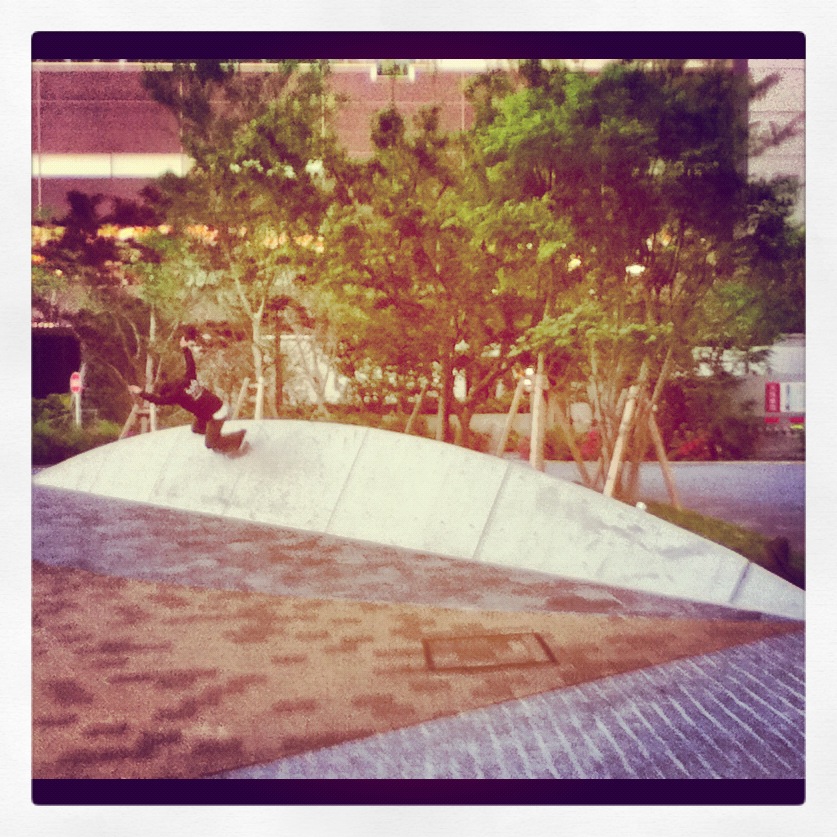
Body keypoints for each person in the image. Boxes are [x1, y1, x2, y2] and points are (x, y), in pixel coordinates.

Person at [128, 336, 246, 454]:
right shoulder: (188, 378)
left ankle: (237, 438)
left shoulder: (176, 395)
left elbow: (159, 400)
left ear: (168, 393)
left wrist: (141, 393)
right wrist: (185, 348)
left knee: (210, 444)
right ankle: (214, 434)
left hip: (216, 414)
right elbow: (190, 364)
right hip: (215, 404)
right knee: (196, 428)